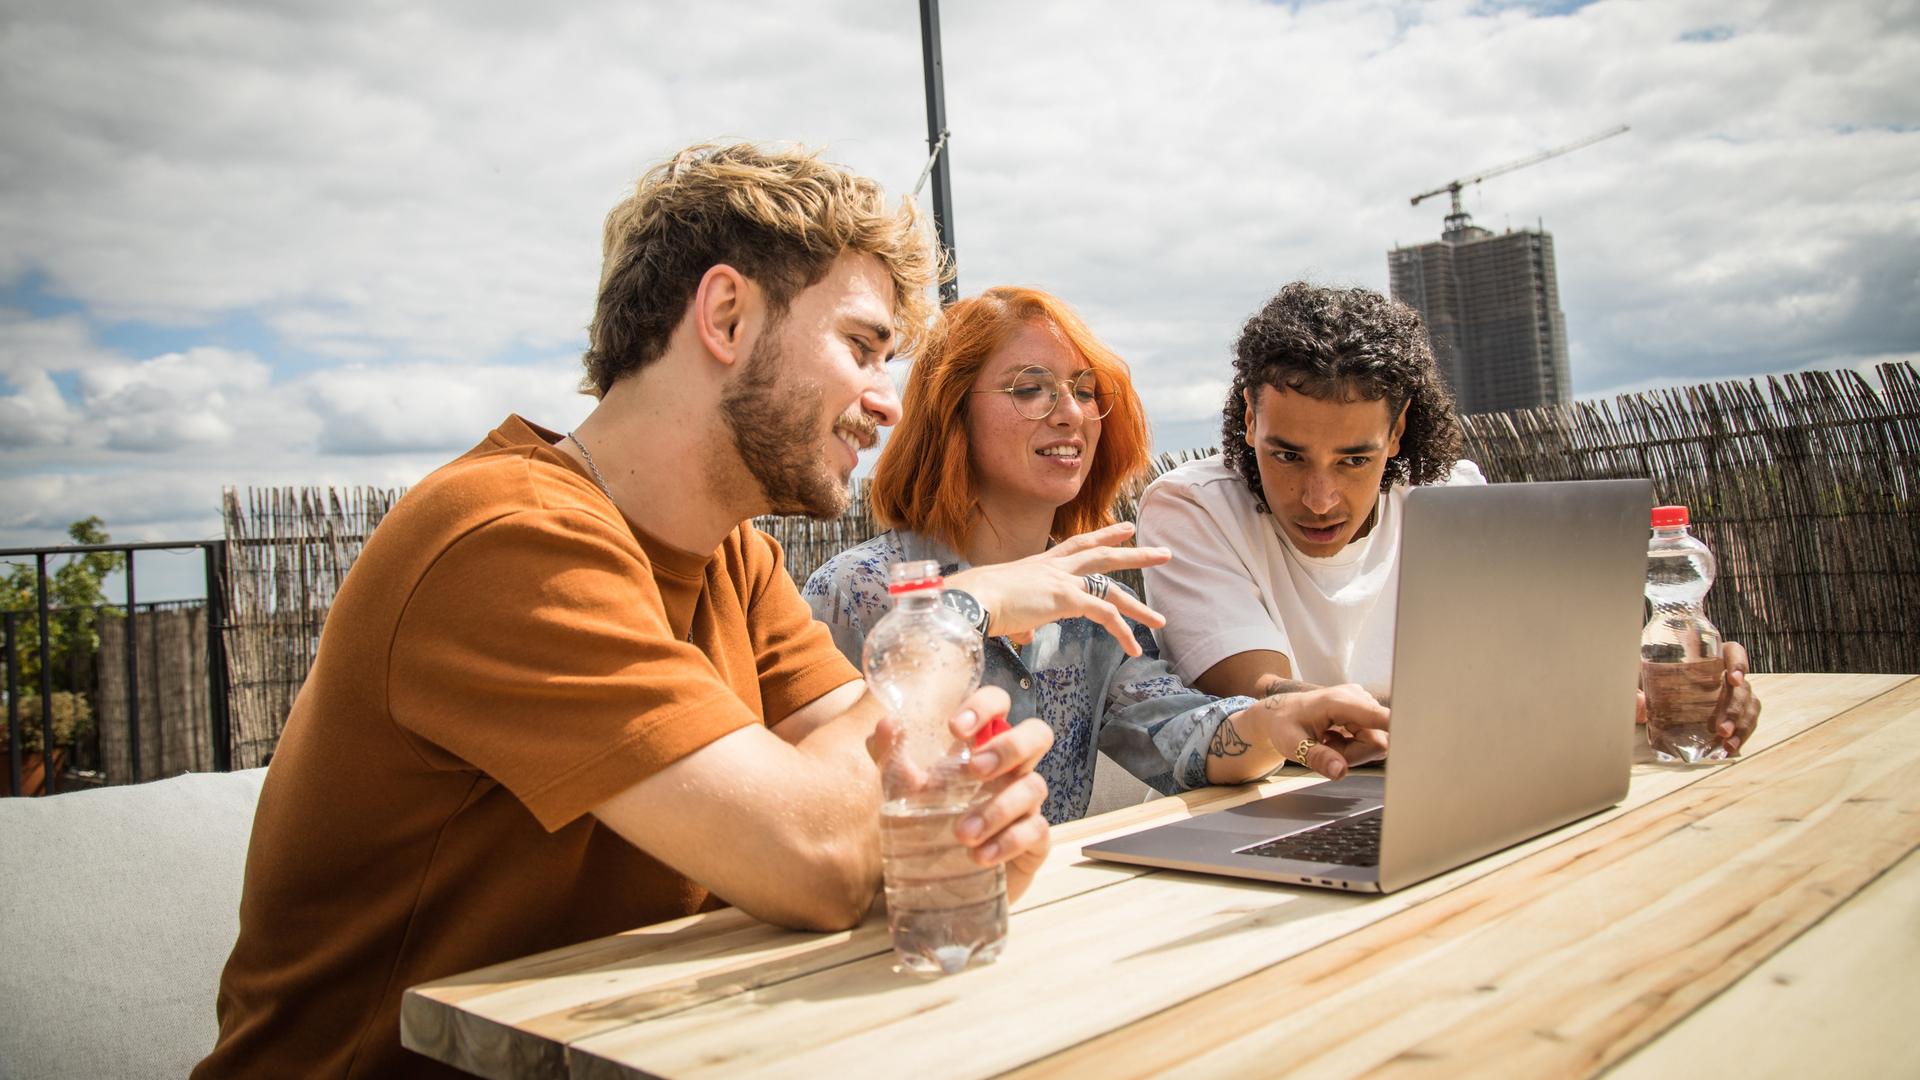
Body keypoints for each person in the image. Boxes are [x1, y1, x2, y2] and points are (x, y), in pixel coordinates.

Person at [195, 144, 1065, 1079]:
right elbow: (816, 851)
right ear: (725, 315)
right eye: (861, 346)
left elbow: (874, 804)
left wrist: (955, 834)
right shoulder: (502, 540)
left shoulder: (734, 556)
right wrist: (952, 616)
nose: (887, 404)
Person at [804, 287, 1392, 818]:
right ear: (950, 411)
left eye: (1085, 391)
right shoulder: (860, 592)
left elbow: (1176, 733)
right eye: (1030, 389)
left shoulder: (1093, 607)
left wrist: (1276, 722)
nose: (1071, 413)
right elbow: (810, 796)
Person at [1136, 281, 1760, 760]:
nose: (1320, 498)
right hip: (1261, 813)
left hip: (1451, 783)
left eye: (1355, 459)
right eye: (1288, 455)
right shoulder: (1191, 508)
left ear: (1399, 429)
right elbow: (1263, 700)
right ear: (1249, 420)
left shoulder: (1450, 497)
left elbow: (1549, 656)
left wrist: (1676, 678)